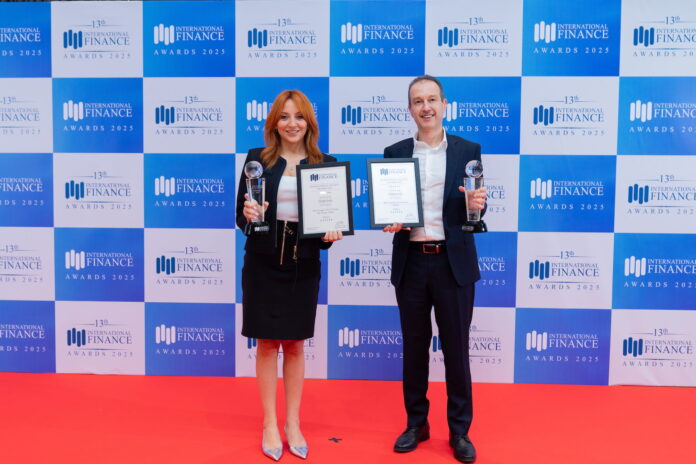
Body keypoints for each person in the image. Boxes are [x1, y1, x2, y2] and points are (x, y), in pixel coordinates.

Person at [383, 75, 487, 463]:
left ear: (444, 105)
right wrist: (391, 219)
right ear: (409, 109)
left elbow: (476, 206)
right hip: (411, 262)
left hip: (452, 263)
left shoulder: (467, 150)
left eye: (431, 100)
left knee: (456, 350)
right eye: (417, 101)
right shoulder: (395, 152)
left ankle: (459, 431)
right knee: (414, 348)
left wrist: (477, 205)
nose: (425, 107)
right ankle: (416, 423)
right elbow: (390, 205)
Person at [236, 90, 343, 461]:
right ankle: (269, 423)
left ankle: (292, 423)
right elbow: (240, 217)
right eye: (284, 117)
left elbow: (328, 227)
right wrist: (248, 216)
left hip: (303, 264)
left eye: (299, 117)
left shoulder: (325, 165)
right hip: (262, 262)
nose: (292, 124)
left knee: (295, 344)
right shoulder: (257, 160)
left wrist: (331, 233)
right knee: (267, 343)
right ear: (274, 123)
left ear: (309, 123)